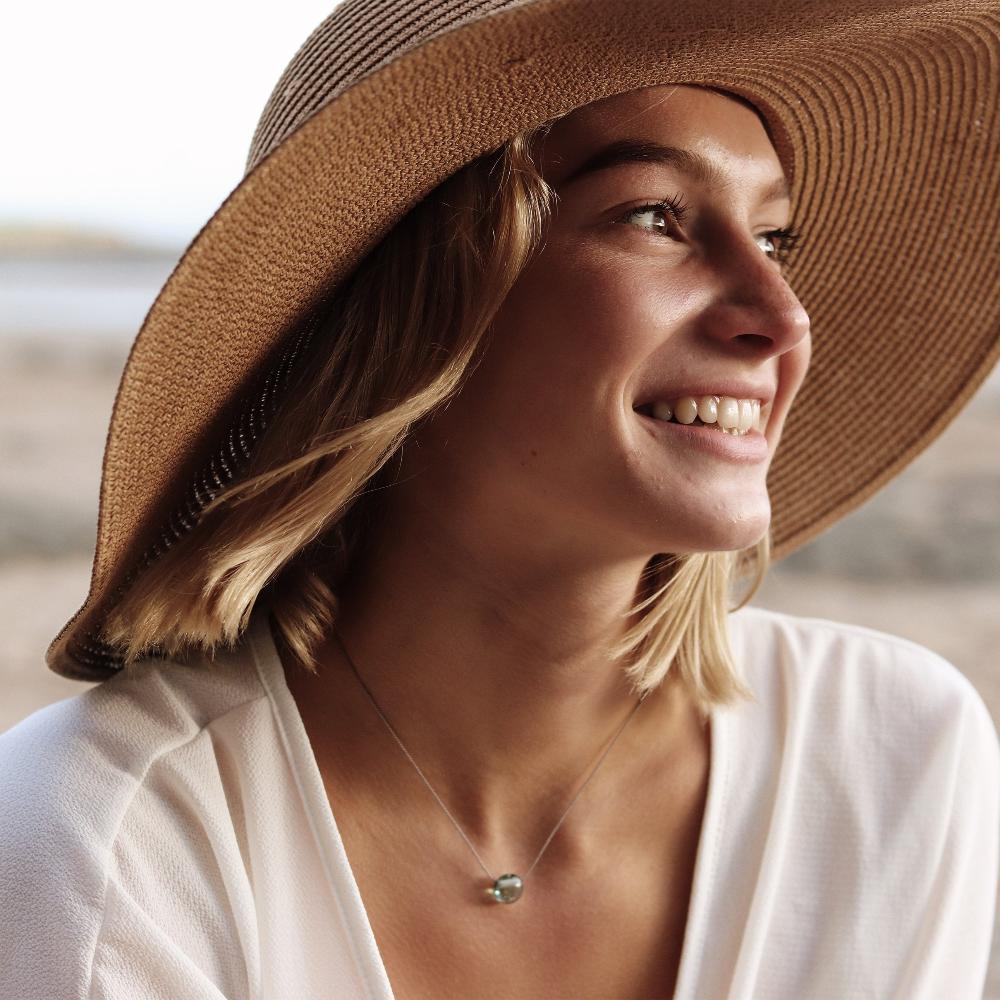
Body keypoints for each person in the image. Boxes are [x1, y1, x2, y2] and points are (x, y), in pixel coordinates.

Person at [2, 2, 998, 998]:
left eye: (776, 240)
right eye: (655, 216)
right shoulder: (118, 832)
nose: (780, 317)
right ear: (418, 309)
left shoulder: (888, 752)